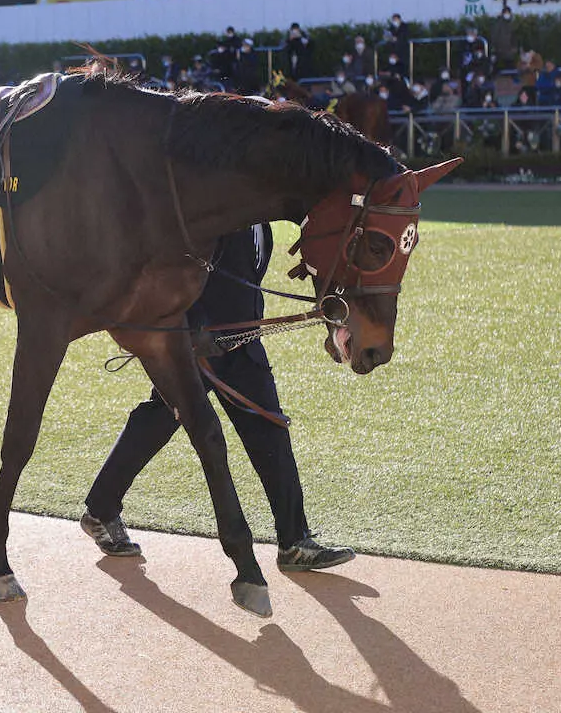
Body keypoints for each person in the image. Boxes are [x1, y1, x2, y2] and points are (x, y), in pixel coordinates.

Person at [81, 224, 356, 571]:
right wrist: (192, 328)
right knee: (158, 420)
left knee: (270, 433)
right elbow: (169, 269)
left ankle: (294, 542)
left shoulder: (260, 219)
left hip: (244, 347)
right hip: (198, 346)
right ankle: (101, 510)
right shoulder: (214, 203)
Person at [489, 7, 518, 71]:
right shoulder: (498, 24)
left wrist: (514, 47)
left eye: (508, 13)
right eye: (505, 13)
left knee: (510, 70)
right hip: (499, 51)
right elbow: (494, 37)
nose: (507, 14)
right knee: (497, 70)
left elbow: (514, 37)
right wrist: (494, 48)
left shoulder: (511, 24)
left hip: (509, 52)